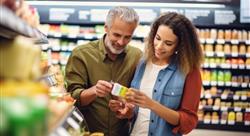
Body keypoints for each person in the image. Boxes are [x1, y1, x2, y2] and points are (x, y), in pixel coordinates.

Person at [65, 6, 142, 136]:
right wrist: (94, 91)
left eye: (127, 37)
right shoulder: (81, 54)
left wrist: (129, 111)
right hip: (88, 132)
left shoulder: (137, 57)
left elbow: (140, 99)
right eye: (116, 35)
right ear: (106, 28)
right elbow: (71, 98)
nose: (121, 42)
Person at [124, 12, 204, 136]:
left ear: (180, 46)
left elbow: (189, 122)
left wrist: (152, 105)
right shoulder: (142, 63)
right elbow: (137, 112)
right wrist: (128, 112)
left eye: (168, 43)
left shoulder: (190, 71)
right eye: (158, 38)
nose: (159, 46)